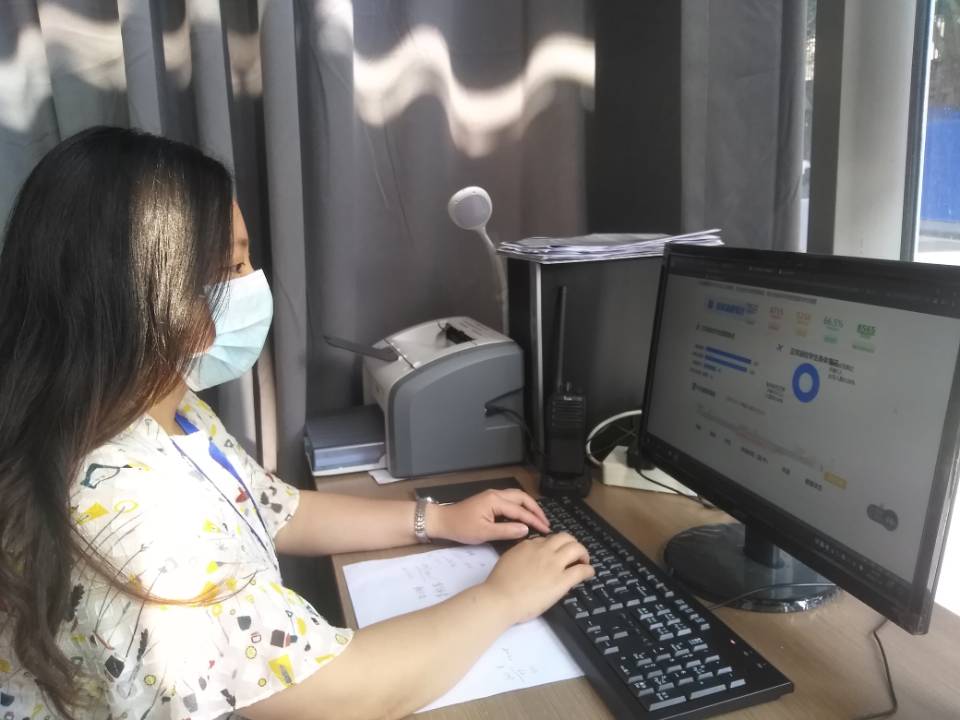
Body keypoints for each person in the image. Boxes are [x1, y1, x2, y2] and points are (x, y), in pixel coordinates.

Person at [0, 127, 594, 720]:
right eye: (233, 264)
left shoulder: (158, 409)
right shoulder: (136, 522)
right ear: (157, 295)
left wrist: (437, 519)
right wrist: (502, 598)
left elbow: (273, 508)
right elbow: (344, 695)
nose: (252, 281)